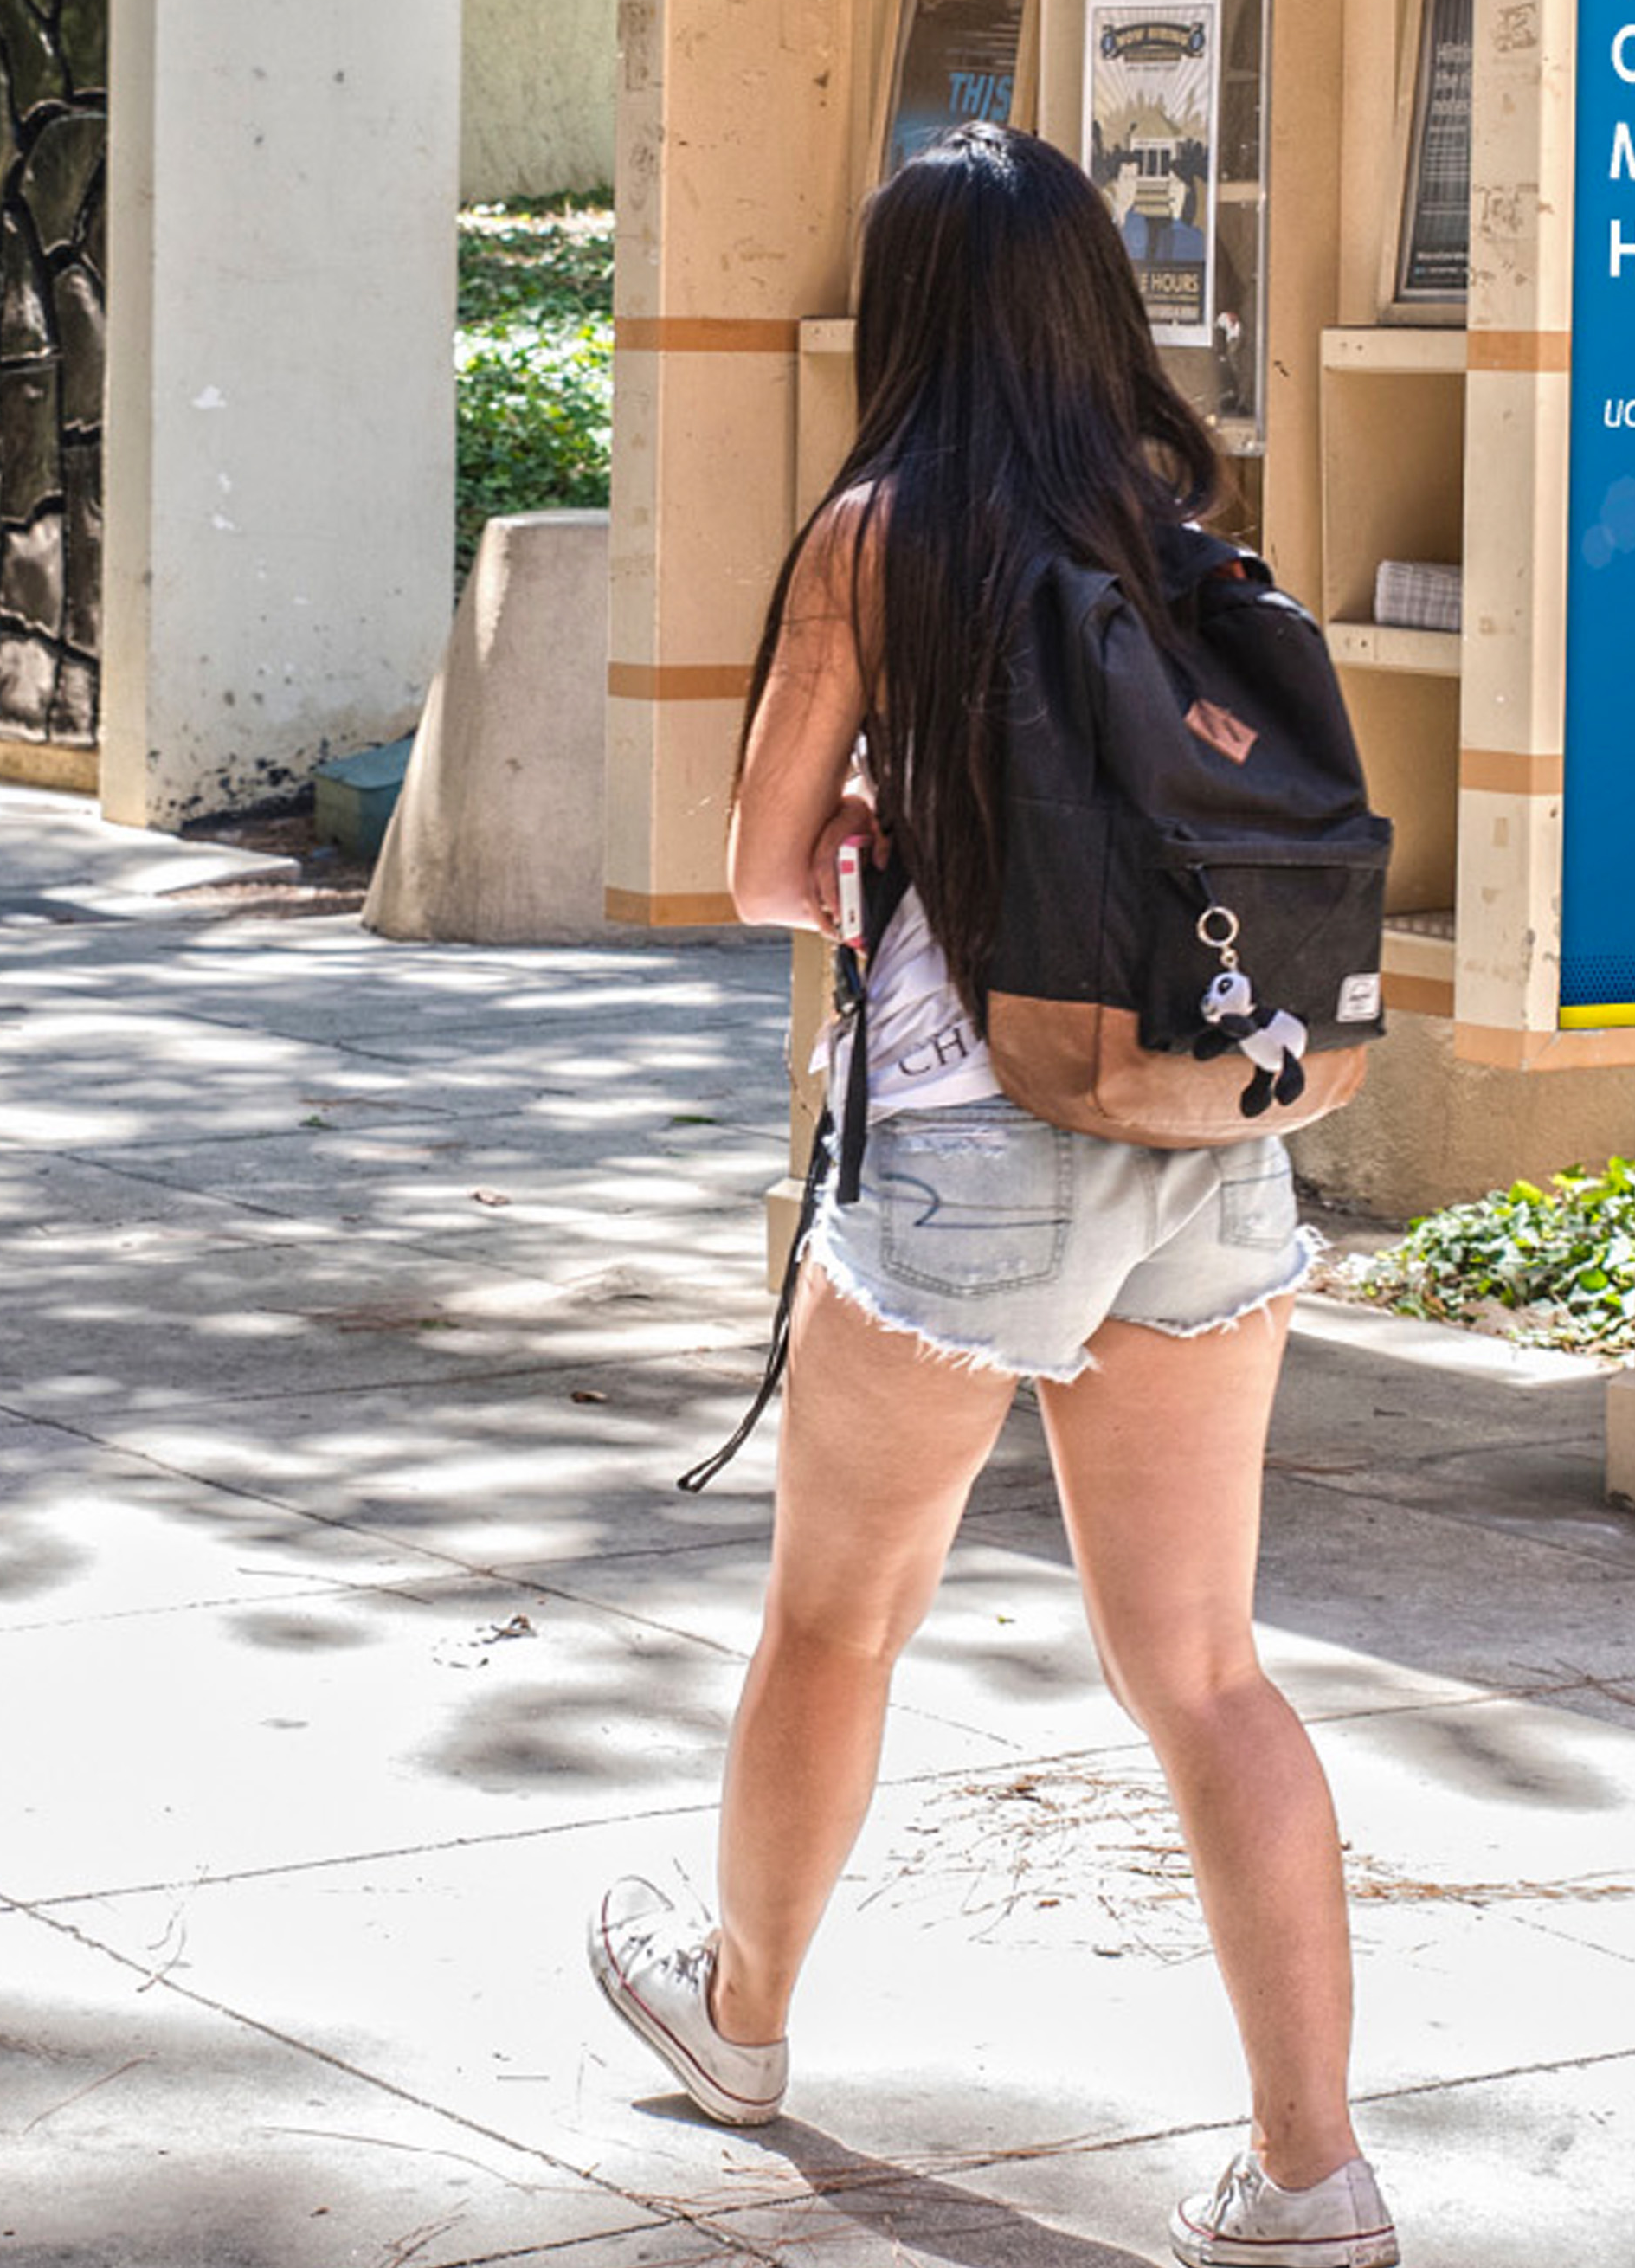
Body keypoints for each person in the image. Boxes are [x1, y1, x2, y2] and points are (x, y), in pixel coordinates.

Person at [586, 126, 1394, 2268]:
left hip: (968, 1141)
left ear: (911, 310)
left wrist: (863, 804)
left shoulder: (884, 534)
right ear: (1086, 307)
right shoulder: (1175, 515)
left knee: (839, 1615)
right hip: (1209, 1125)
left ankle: (738, 2018)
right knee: (1205, 1665)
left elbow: (763, 873)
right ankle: (1310, 2172)